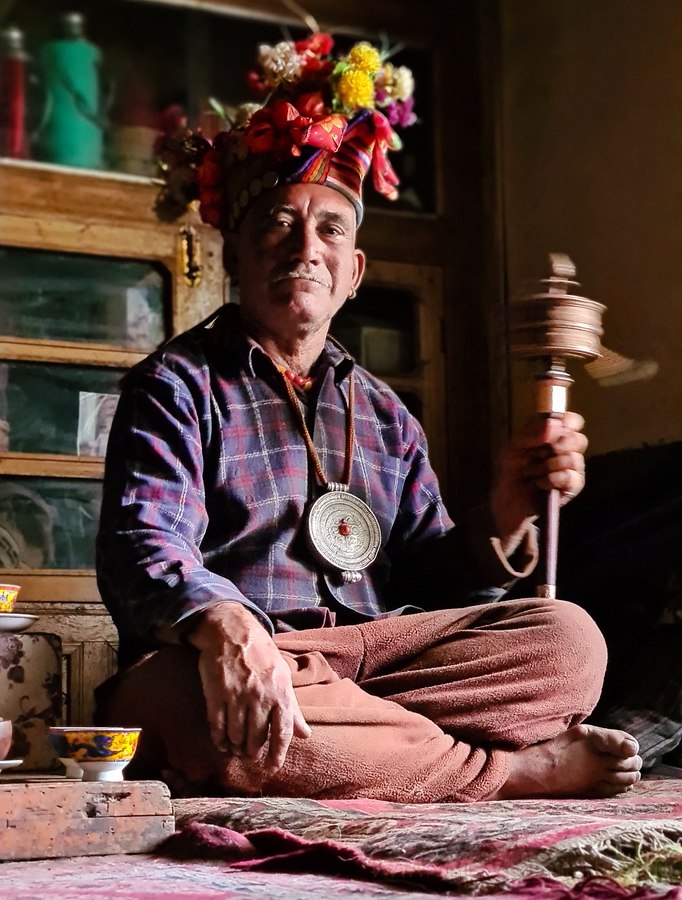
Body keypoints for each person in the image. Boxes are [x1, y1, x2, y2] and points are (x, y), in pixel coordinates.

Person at [95, 32, 642, 802]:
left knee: (569, 642)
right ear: (234, 258)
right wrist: (226, 625)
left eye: (330, 230)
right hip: (239, 653)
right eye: (278, 224)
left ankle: (364, 746)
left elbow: (431, 572)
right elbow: (142, 546)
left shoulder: (386, 413)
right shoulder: (176, 384)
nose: (305, 248)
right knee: (175, 707)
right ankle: (505, 771)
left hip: (380, 660)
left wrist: (508, 517)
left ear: (353, 273)